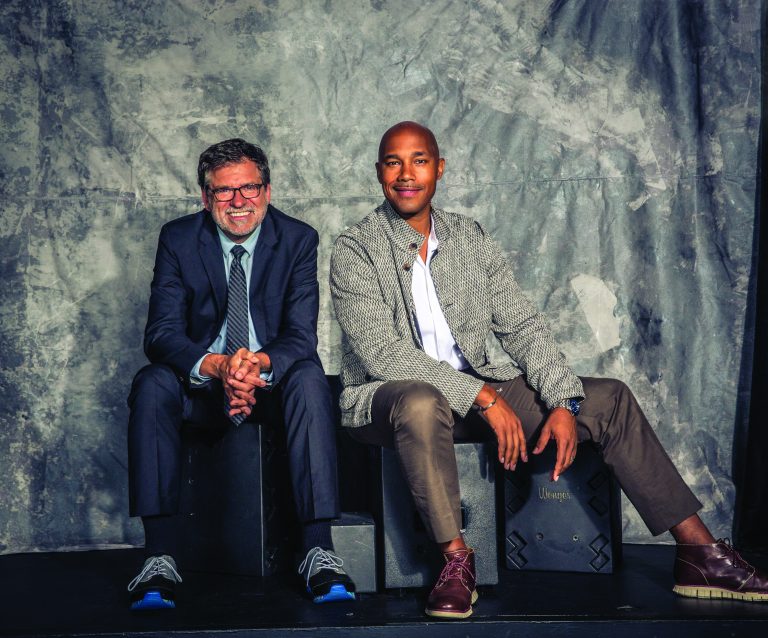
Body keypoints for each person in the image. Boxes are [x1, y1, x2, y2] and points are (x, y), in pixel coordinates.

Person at [329, 121, 767, 619]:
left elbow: (521, 324)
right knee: (422, 400)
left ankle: (698, 554)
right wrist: (484, 398)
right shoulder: (355, 248)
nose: (406, 174)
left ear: (439, 168)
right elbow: (383, 354)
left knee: (609, 398)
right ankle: (456, 562)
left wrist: (563, 401)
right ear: (379, 171)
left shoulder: (468, 237)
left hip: (474, 396)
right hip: (389, 405)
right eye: (393, 162)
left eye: (420, 160)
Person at [127, 138, 355, 610]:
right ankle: (159, 556)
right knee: (151, 382)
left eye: (249, 188)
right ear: (206, 197)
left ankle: (319, 550)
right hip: (203, 383)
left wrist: (254, 366)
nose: (238, 202)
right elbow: (162, 333)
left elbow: (299, 336)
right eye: (224, 192)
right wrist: (218, 366)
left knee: (312, 378)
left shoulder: (297, 239)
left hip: (268, 382)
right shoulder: (178, 238)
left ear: (267, 191)